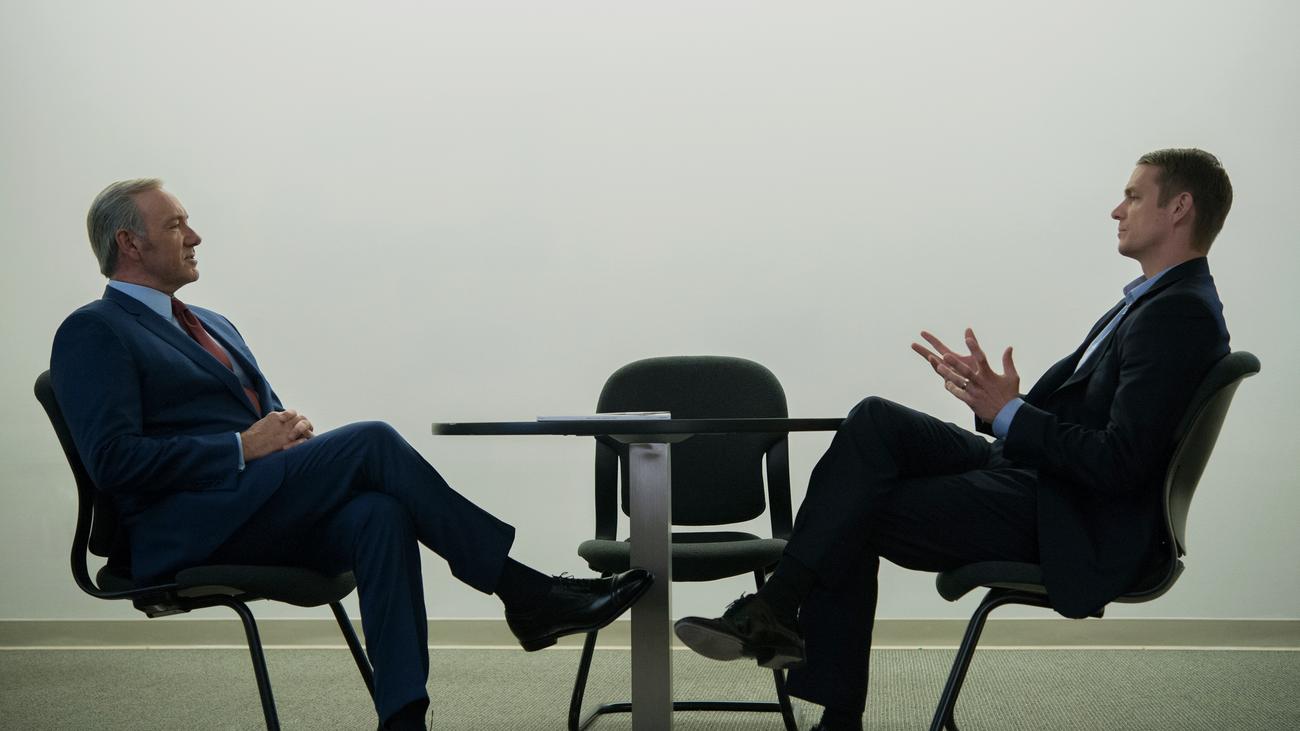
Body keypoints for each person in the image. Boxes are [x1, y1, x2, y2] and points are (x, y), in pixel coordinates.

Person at [50, 179, 653, 730]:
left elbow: (263, 422)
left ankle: (404, 719)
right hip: (185, 528)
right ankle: (523, 591)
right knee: (371, 439)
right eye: (177, 224)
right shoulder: (96, 330)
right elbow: (114, 461)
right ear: (130, 242)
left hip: (253, 509)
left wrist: (287, 435)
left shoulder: (215, 324)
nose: (195, 236)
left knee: (378, 513)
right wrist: (241, 446)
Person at [674, 148, 1233, 731]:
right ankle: (780, 614)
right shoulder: (1156, 302)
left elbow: (1121, 461)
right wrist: (1000, 407)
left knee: (857, 502)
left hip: (1066, 512)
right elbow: (1094, 423)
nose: (1117, 210)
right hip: (1035, 475)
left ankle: (789, 632)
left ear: (1179, 208)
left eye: (1134, 197)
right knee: (874, 421)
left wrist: (1011, 413)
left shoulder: (1177, 315)